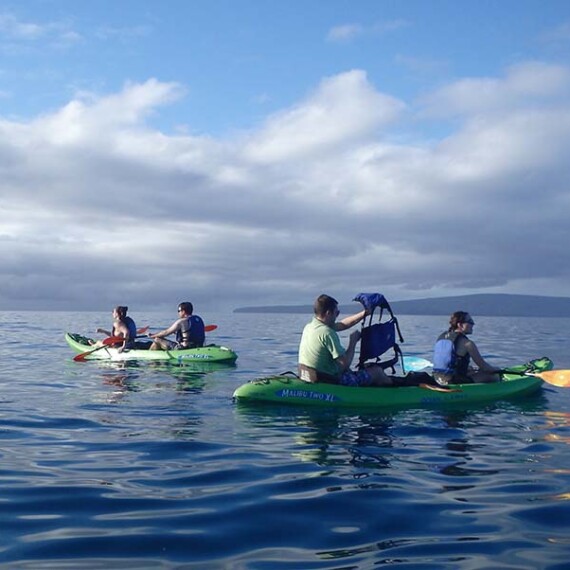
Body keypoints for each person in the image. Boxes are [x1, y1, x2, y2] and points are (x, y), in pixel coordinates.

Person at [298, 294, 393, 387]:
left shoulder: (310, 327)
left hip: (311, 375)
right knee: (377, 372)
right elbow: (345, 364)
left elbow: (343, 324)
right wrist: (353, 342)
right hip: (331, 380)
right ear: (328, 313)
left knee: (368, 369)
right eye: (337, 313)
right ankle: (396, 391)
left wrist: (365, 313)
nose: (337, 316)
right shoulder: (327, 333)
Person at [432, 311, 500, 385]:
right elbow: (485, 368)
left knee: (470, 370)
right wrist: (496, 369)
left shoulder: (441, 338)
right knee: (493, 376)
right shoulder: (467, 343)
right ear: (460, 325)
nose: (473, 324)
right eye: (470, 321)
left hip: (437, 378)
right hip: (452, 381)